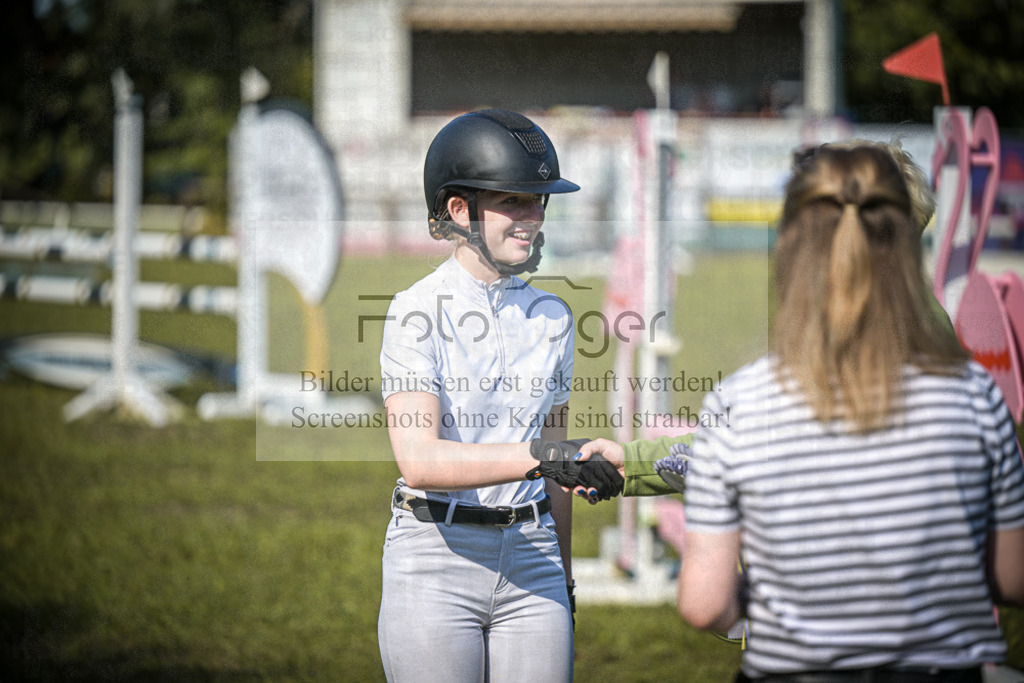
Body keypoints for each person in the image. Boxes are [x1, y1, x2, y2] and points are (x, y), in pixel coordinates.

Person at [578, 143, 1024, 681]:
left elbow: (705, 602)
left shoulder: (750, 400)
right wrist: (631, 460)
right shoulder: (972, 391)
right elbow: (1011, 575)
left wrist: (759, 591)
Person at [377, 108, 620, 683]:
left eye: (539, 200)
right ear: (459, 210)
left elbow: (555, 463)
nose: (533, 217)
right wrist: (545, 459)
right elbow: (421, 460)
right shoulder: (414, 313)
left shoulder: (555, 317)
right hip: (435, 557)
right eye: (513, 200)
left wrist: (563, 574)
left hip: (533, 558)